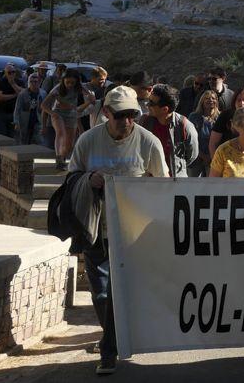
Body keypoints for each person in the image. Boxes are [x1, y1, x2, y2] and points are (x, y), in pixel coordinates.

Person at [68, 85, 169, 376]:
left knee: (121, 293)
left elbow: (163, 184)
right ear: (107, 113)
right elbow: (71, 179)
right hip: (96, 230)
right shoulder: (88, 141)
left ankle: (108, 351)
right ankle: (111, 341)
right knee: (100, 293)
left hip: (133, 234)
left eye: (132, 115)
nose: (127, 122)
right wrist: (90, 179)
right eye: (121, 115)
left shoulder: (148, 142)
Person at [139, 83, 199, 178]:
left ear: (164, 109)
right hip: (148, 182)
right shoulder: (144, 122)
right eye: (148, 100)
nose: (147, 105)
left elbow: (192, 156)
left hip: (175, 183)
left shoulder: (185, 126)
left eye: (152, 103)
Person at [42, 68, 94, 167]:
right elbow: (43, 105)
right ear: (63, 80)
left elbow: (90, 95)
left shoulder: (79, 87)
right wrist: (52, 113)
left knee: (70, 144)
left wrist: (90, 98)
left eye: (72, 83)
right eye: (67, 82)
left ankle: (62, 158)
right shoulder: (57, 90)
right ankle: (58, 157)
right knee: (60, 132)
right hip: (58, 113)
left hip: (71, 115)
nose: (70, 85)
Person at [207, 86, 244, 159]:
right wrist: (215, 163)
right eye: (239, 100)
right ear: (234, 101)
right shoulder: (226, 115)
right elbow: (213, 143)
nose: (241, 103)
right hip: (226, 159)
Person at [187, 90, 219, 176]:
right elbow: (190, 139)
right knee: (194, 185)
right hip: (196, 157)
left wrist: (211, 156)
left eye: (213, 98)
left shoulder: (220, 118)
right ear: (202, 101)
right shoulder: (194, 117)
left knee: (211, 186)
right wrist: (202, 156)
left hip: (214, 158)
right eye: (207, 98)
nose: (210, 100)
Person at [14, 73, 45, 145]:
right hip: (25, 120)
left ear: (39, 83)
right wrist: (16, 122)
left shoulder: (43, 93)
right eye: (32, 82)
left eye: (36, 82)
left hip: (38, 119)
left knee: (39, 140)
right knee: (23, 140)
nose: (34, 84)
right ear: (29, 82)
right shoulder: (23, 94)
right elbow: (17, 108)